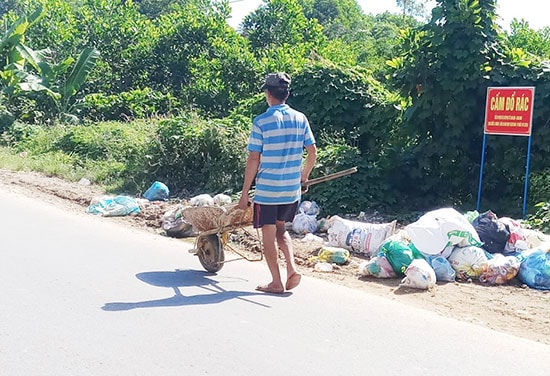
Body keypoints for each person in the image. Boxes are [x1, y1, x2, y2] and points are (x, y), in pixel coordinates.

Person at [238, 72, 317, 294]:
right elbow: (312, 152)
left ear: (268, 94)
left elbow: (254, 159)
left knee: (269, 233)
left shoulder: (261, 121)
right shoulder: (300, 118)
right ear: (287, 94)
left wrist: (245, 193)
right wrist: (304, 176)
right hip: (291, 191)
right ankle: (292, 269)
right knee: (282, 230)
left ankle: (276, 282)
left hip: (268, 191)